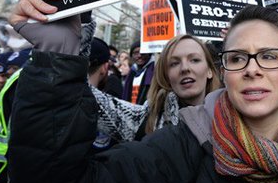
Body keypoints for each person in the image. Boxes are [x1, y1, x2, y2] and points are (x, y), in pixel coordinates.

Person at [6, 0, 278, 183]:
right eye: (236, 58)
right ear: (224, 72)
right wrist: (58, 58)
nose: (252, 70)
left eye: (268, 56)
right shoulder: (179, 149)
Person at [92, 33, 223, 143]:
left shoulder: (231, 119)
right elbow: (89, 99)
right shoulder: (145, 119)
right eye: (174, 63)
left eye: (194, 60)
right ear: (166, 75)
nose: (185, 68)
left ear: (210, 71)